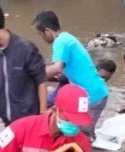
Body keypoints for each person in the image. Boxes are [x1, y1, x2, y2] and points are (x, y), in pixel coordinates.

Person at [32, 10, 109, 142]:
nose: (41, 38)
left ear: (48, 30)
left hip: (93, 95)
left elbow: (57, 67)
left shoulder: (60, 42)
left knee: (83, 135)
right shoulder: (66, 37)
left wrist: (34, 75)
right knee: (78, 130)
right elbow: (60, 66)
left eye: (40, 34)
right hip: (92, 92)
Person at [0, 1, 48, 126]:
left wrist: (43, 116)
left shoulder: (26, 49)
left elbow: (41, 81)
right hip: (7, 120)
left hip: (28, 120)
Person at [46, 58, 117, 108]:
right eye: (102, 77)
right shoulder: (78, 75)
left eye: (107, 79)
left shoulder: (100, 90)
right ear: (94, 71)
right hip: (53, 102)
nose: (103, 81)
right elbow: (48, 76)